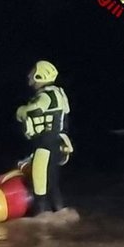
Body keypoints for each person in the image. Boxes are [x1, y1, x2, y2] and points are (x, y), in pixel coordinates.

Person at [16, 60, 74, 215]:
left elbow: (33, 111)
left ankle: (40, 221)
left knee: (39, 186)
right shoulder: (60, 93)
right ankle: (60, 213)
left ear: (40, 75)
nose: (30, 76)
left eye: (33, 73)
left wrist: (21, 111)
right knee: (53, 184)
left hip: (45, 146)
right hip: (56, 145)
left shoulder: (46, 96)